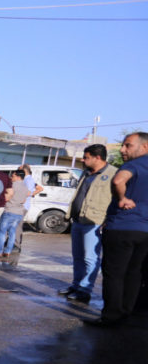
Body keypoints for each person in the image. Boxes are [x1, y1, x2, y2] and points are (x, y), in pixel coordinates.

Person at [87, 132, 148, 326]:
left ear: (144, 147)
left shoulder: (133, 165)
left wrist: (122, 198)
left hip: (122, 227)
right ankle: (127, 312)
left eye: (128, 145)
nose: (122, 150)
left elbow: (118, 180)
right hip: (145, 231)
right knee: (135, 272)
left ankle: (112, 315)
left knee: (114, 273)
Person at [58, 144, 114, 303]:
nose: (83, 160)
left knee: (90, 258)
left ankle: (84, 290)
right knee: (78, 257)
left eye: (86, 157)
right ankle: (76, 286)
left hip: (94, 222)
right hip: (77, 220)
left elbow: (115, 200)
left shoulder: (113, 174)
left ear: (98, 157)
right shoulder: (86, 172)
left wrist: (107, 220)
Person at [0, 169, 30, 258]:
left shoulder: (13, 185)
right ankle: (8, 251)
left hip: (9, 210)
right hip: (19, 212)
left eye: (12, 176)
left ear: (17, 176)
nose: (11, 178)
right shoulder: (25, 187)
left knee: (1, 231)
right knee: (12, 232)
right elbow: (24, 200)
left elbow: (7, 197)